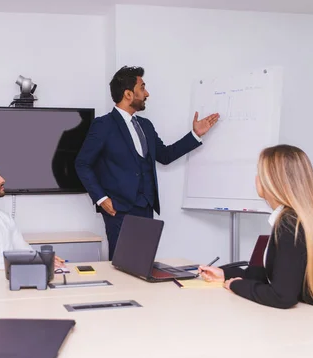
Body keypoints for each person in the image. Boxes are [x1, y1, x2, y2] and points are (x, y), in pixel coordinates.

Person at [75, 66, 219, 259]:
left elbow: (165, 155)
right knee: (121, 269)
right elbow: (82, 164)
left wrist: (195, 135)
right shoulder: (104, 125)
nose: (147, 93)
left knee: (143, 265)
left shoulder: (146, 126)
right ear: (128, 94)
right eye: (142, 88)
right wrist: (102, 199)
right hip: (118, 211)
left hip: (146, 208)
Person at [199, 145, 313, 319]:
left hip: (308, 325)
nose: (256, 178)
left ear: (273, 182)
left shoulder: (290, 225)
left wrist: (237, 286)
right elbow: (274, 275)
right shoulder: (302, 220)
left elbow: (282, 296)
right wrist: (226, 274)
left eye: (260, 173)